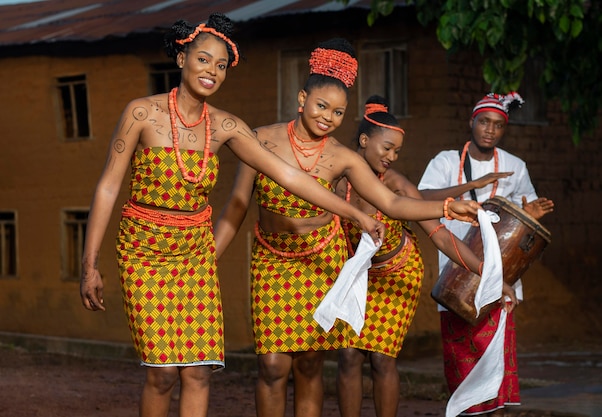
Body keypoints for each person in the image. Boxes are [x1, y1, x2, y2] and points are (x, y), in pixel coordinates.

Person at [78, 15, 389, 417]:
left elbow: (289, 175)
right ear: (181, 59)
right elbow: (107, 187)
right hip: (144, 253)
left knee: (199, 373)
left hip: (195, 256)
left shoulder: (226, 126)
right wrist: (90, 264)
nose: (212, 71)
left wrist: (355, 214)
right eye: (204, 59)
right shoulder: (142, 113)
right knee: (163, 373)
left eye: (221, 65)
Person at [213, 39, 481, 417]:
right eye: (321, 106)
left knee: (309, 364)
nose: (328, 117)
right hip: (272, 260)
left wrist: (448, 206)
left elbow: (392, 203)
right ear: (301, 98)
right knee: (272, 366)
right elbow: (236, 207)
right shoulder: (260, 140)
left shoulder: (342, 156)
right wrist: (208, 259)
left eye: (338, 112)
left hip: (322, 261)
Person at [335, 95, 497, 417]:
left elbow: (440, 235)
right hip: (356, 274)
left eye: (397, 151)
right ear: (364, 141)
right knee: (348, 355)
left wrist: (488, 271)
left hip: (397, 273)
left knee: (381, 357)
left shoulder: (396, 185)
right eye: (387, 148)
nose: (392, 157)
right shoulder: (335, 178)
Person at [417, 92, 555, 416]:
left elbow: (525, 221)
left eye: (497, 125)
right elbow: (421, 196)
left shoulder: (514, 166)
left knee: (495, 363)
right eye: (484, 122)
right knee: (461, 360)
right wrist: (477, 182)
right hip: (456, 275)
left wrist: (532, 214)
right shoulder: (446, 161)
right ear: (472, 122)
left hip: (500, 278)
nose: (490, 130)